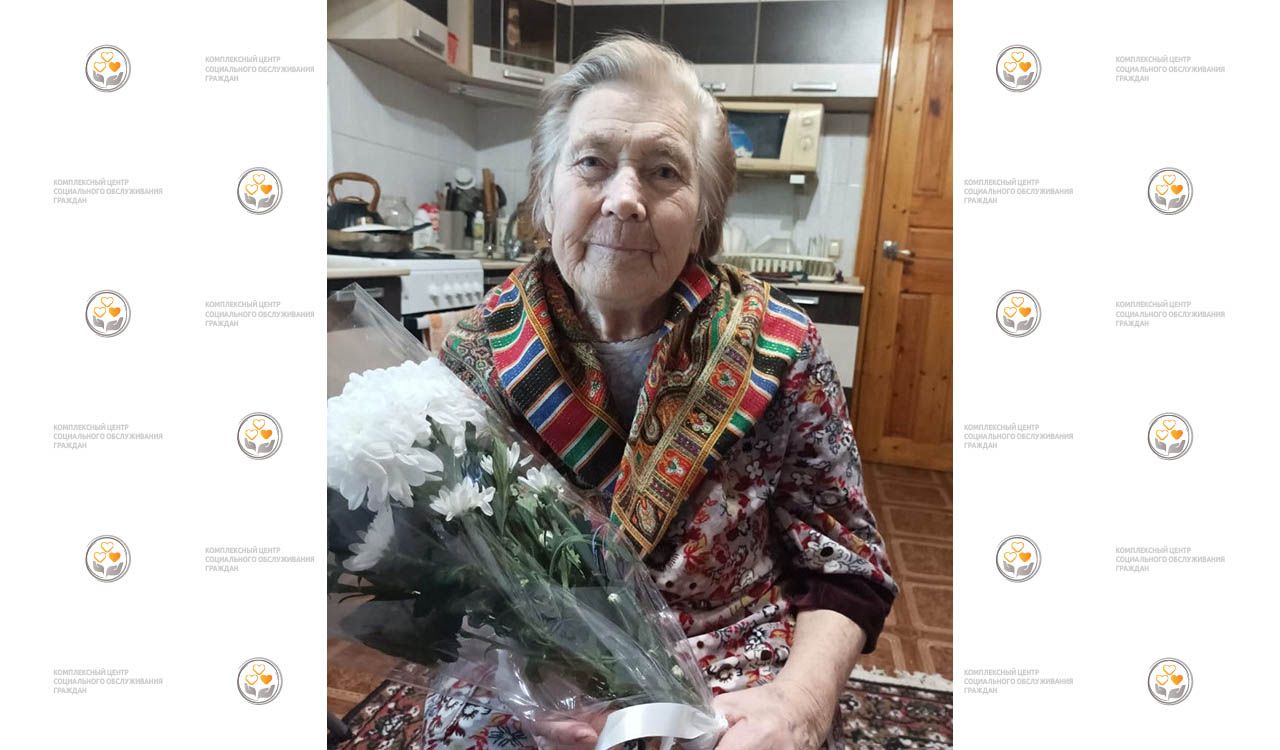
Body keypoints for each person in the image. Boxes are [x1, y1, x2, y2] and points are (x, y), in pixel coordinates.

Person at [440, 35, 897, 750]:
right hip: (541, 662)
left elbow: (846, 564)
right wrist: (529, 677)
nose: (625, 199)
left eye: (663, 171)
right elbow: (450, 563)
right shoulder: (477, 353)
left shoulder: (781, 347)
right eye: (592, 162)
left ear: (704, 214)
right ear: (546, 193)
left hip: (730, 663)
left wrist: (800, 703)